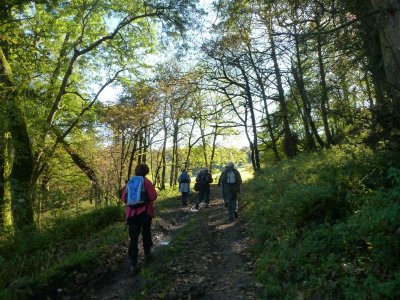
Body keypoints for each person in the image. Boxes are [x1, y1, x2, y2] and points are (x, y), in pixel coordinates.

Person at [120, 163, 157, 273]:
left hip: (131, 215)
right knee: (146, 233)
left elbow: (123, 199)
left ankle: (133, 264)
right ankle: (147, 254)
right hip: (145, 213)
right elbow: (153, 196)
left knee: (133, 238)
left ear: (136, 171)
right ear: (146, 172)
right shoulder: (146, 182)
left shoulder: (130, 182)